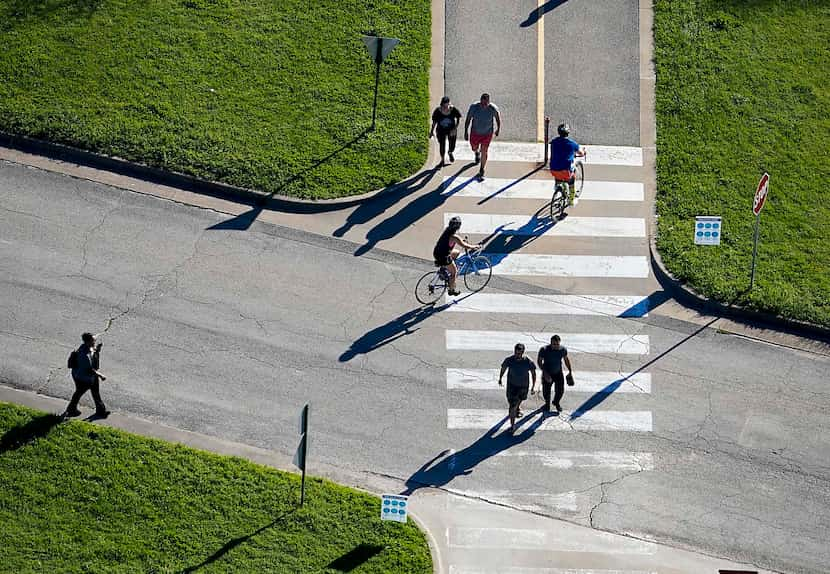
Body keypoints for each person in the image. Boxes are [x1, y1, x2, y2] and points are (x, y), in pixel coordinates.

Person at [64, 332, 109, 418]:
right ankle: (71, 409)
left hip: (89, 376)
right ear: (88, 341)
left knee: (95, 392)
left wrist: (97, 350)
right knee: (79, 393)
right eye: (93, 340)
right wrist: (101, 375)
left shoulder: (88, 347)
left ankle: (101, 410)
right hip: (83, 378)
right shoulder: (83, 355)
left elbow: (93, 355)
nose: (94, 341)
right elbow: (89, 369)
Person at [432, 216, 480, 296]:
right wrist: (474, 246)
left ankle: (444, 269)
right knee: (454, 272)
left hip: (437, 252)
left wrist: (461, 241)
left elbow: (457, 240)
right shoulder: (454, 237)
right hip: (443, 256)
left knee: (456, 252)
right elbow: (465, 245)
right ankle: (451, 290)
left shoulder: (447, 230)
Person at [498, 343, 537, 434]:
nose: (517, 355)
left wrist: (533, 386)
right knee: (512, 406)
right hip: (512, 386)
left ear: (523, 352)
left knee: (520, 400)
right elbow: (503, 368)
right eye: (516, 353)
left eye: (519, 353)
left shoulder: (528, 361)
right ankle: (512, 426)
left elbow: (533, 373)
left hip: (523, 386)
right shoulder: (509, 360)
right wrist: (500, 378)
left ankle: (517, 407)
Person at [464, 93, 501, 181]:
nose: (484, 105)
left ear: (489, 102)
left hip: (487, 134)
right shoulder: (474, 107)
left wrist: (498, 129)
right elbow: (468, 119)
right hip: (475, 133)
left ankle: (482, 169)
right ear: (480, 101)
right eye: (482, 103)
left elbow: (498, 119)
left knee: (484, 150)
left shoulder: (493, 108)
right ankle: (476, 153)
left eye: (486, 104)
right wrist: (466, 131)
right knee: (474, 148)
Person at [549, 122, 586, 205]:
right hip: (565, 171)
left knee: (558, 172)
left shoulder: (554, 142)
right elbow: (580, 153)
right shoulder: (572, 144)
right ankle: (571, 200)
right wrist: (583, 152)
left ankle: (557, 186)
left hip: (553, 170)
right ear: (568, 133)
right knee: (571, 180)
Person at [537, 334, 573, 414]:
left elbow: (566, 360)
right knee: (546, 391)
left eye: (557, 344)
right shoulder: (544, 350)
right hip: (547, 372)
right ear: (550, 343)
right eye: (554, 344)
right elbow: (539, 361)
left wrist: (570, 371)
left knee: (560, 390)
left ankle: (556, 402)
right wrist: (545, 373)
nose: (556, 346)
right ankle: (547, 404)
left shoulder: (562, 350)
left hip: (558, 373)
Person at [430, 96, 462, 167]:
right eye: (443, 107)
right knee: (442, 145)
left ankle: (450, 152)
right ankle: (442, 160)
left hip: (451, 130)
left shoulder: (453, 109)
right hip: (441, 130)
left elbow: (458, 118)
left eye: (446, 106)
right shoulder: (437, 111)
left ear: (449, 104)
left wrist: (455, 128)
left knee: (452, 145)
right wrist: (431, 131)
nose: (445, 108)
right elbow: (434, 122)